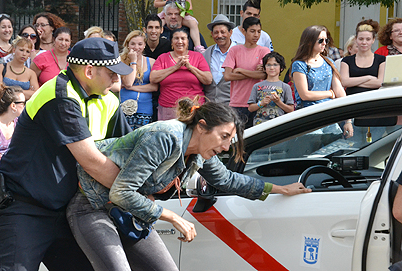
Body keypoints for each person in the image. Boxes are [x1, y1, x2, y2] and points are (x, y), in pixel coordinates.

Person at [68, 98, 311, 271]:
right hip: (92, 206)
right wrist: (173, 217)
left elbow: (227, 179)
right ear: (202, 126)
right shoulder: (165, 136)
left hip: (129, 213)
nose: (227, 147)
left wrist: (279, 189)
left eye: (230, 140)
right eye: (224, 137)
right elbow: (122, 191)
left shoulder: (199, 151)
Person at [0, 37, 133, 271]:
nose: (117, 78)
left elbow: (130, 151)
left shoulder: (109, 101)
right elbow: (92, 162)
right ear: (90, 71)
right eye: (112, 72)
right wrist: (134, 192)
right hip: (25, 209)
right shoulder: (60, 94)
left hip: (68, 210)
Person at [291, 25, 353, 137]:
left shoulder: (329, 62)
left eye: (326, 40)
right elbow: (304, 95)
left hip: (328, 116)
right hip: (308, 117)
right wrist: (329, 93)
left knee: (332, 151)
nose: (324, 43)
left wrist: (348, 121)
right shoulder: (299, 65)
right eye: (320, 40)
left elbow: (340, 92)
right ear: (309, 42)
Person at [150, 28, 212, 120]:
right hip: (168, 108)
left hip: (194, 108)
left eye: (183, 38)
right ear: (171, 42)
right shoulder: (163, 58)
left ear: (188, 41)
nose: (179, 41)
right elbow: (153, 78)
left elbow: (208, 80)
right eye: (176, 38)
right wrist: (175, 67)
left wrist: (190, 67)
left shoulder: (197, 57)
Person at [340, 20, 386, 142]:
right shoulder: (347, 61)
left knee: (374, 144)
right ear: (356, 39)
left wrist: (354, 80)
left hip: (375, 109)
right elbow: (345, 82)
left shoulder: (381, 60)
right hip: (353, 109)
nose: (364, 42)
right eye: (361, 39)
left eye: (367, 39)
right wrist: (368, 77)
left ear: (373, 40)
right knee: (353, 145)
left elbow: (379, 83)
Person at [222, 17, 270, 128]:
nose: (256, 35)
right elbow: (228, 76)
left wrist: (240, 70)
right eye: (252, 31)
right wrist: (252, 73)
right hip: (237, 103)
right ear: (244, 31)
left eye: (259, 31)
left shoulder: (264, 51)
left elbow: (263, 75)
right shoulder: (235, 50)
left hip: (258, 102)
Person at [119, 30, 158, 129]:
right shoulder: (121, 60)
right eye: (133, 44)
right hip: (125, 107)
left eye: (140, 44)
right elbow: (128, 82)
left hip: (145, 108)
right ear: (127, 45)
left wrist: (132, 88)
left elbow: (154, 87)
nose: (136, 47)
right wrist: (133, 61)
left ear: (145, 45)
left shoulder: (151, 62)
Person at [248, 52, 294, 125]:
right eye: (268, 65)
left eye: (275, 65)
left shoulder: (285, 87)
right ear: (264, 68)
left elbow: (291, 109)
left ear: (281, 68)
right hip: (259, 124)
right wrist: (261, 103)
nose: (272, 68)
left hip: (278, 124)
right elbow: (250, 108)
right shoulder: (257, 86)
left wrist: (278, 102)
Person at [203, 14, 235, 104]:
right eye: (216, 32)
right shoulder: (206, 53)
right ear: (212, 34)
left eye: (223, 32)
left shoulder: (240, 51)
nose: (219, 35)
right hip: (210, 105)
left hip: (233, 106)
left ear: (230, 32)